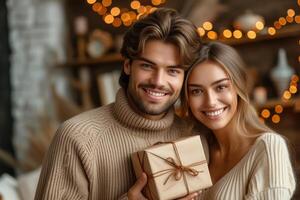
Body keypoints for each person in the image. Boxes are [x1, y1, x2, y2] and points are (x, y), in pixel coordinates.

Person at [34, 8, 202, 200]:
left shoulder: (194, 134)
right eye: (147, 66)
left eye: (172, 71)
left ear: (184, 77)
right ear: (128, 65)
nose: (158, 81)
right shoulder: (77, 138)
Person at [181, 41, 296, 199]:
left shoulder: (268, 147)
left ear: (239, 86)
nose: (210, 102)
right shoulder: (196, 155)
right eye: (196, 91)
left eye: (220, 87)